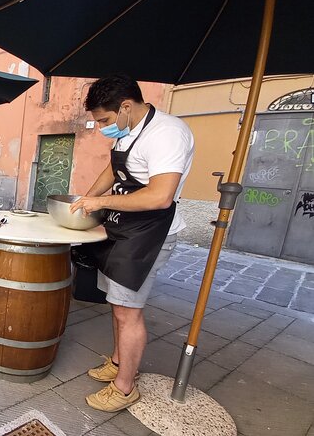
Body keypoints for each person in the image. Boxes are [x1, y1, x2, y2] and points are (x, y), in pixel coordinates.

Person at [70, 75, 194, 412]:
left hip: (149, 235)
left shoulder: (167, 134)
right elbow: (114, 170)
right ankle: (117, 360)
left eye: (105, 121)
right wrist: (88, 198)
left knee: (128, 312)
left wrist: (103, 202)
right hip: (122, 229)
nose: (101, 128)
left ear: (126, 106)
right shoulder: (126, 131)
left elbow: (160, 196)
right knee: (117, 303)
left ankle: (125, 387)